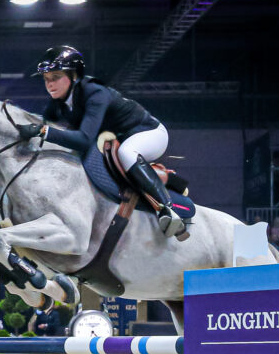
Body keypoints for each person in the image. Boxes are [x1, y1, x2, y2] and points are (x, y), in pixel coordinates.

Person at [18, 45, 185, 237]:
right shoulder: (59, 102)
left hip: (148, 133)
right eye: (46, 79)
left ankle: (168, 209)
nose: (49, 84)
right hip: (120, 138)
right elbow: (44, 124)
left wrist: (43, 131)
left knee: (126, 153)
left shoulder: (95, 93)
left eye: (55, 77)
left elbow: (83, 140)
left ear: (74, 75)